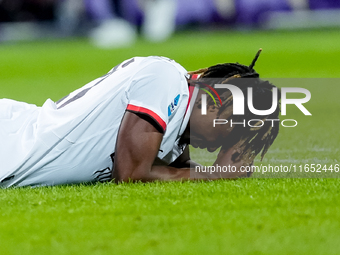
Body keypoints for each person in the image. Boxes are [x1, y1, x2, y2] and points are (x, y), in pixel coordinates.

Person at [0, 52, 280, 188]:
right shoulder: (166, 81)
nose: (221, 143)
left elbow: (176, 169)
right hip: (8, 141)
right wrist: (217, 175)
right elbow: (131, 175)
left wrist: (222, 172)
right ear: (214, 101)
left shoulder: (178, 114)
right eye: (231, 129)